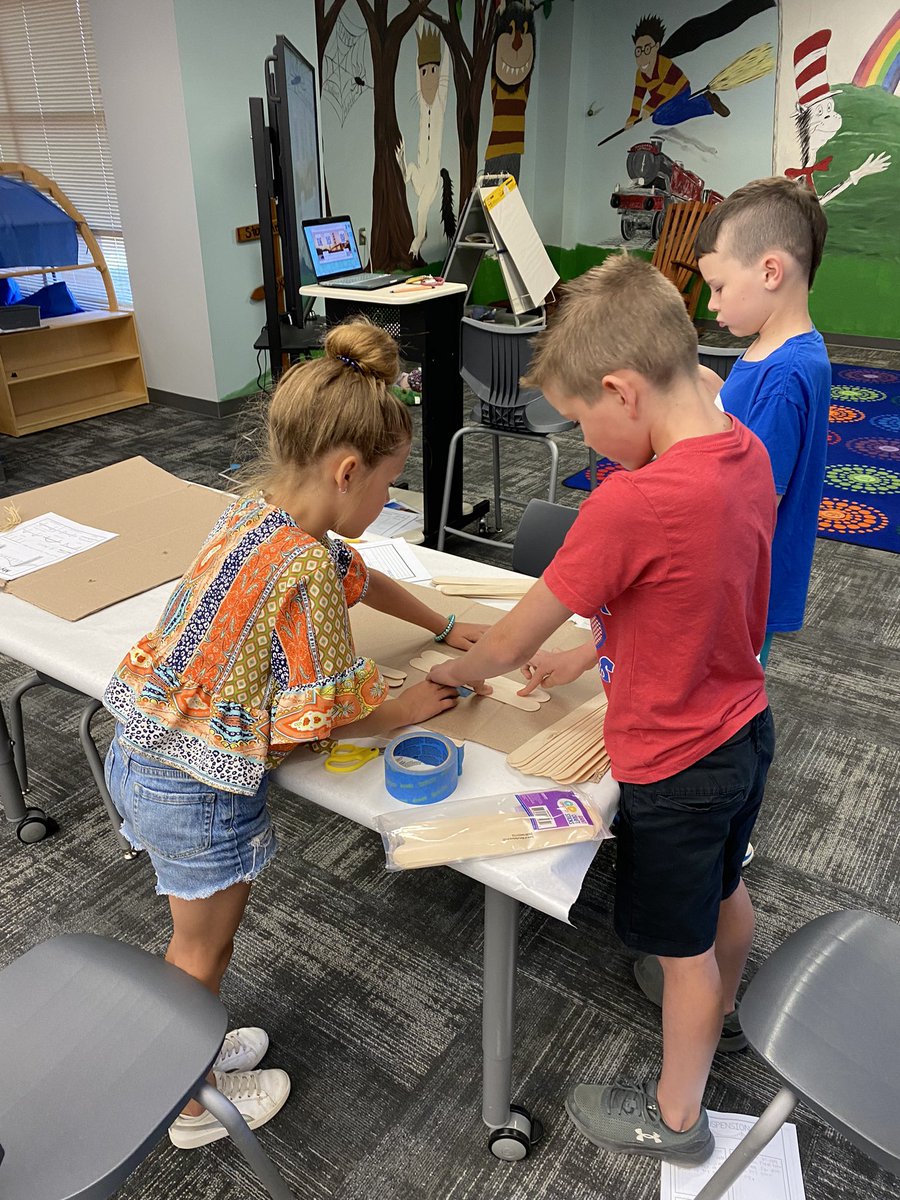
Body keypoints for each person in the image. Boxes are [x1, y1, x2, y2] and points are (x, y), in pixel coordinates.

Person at [425, 254, 776, 1166]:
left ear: (623, 390)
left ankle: (676, 1119)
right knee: (725, 893)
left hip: (674, 765)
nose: (586, 444)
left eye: (583, 421)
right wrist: (588, 653)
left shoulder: (632, 503)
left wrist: (443, 685)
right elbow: (684, 604)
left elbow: (500, 643)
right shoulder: (743, 451)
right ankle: (723, 1019)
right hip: (743, 731)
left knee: (681, 951)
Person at [103, 319, 485, 1150]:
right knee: (201, 950)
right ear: (348, 470)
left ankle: (191, 1042)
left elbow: (370, 579)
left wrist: (444, 621)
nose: (389, 501)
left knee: (196, 939)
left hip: (139, 746)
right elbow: (327, 715)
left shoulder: (256, 515)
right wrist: (410, 704)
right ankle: (194, 1100)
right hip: (194, 788)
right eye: (389, 485)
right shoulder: (307, 565)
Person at [695, 176, 831, 670]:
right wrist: (707, 391)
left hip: (743, 579)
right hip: (737, 571)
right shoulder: (771, 350)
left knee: (722, 697)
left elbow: (754, 499)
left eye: (719, 287)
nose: (711, 304)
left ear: (770, 270)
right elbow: (742, 424)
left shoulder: (787, 371)